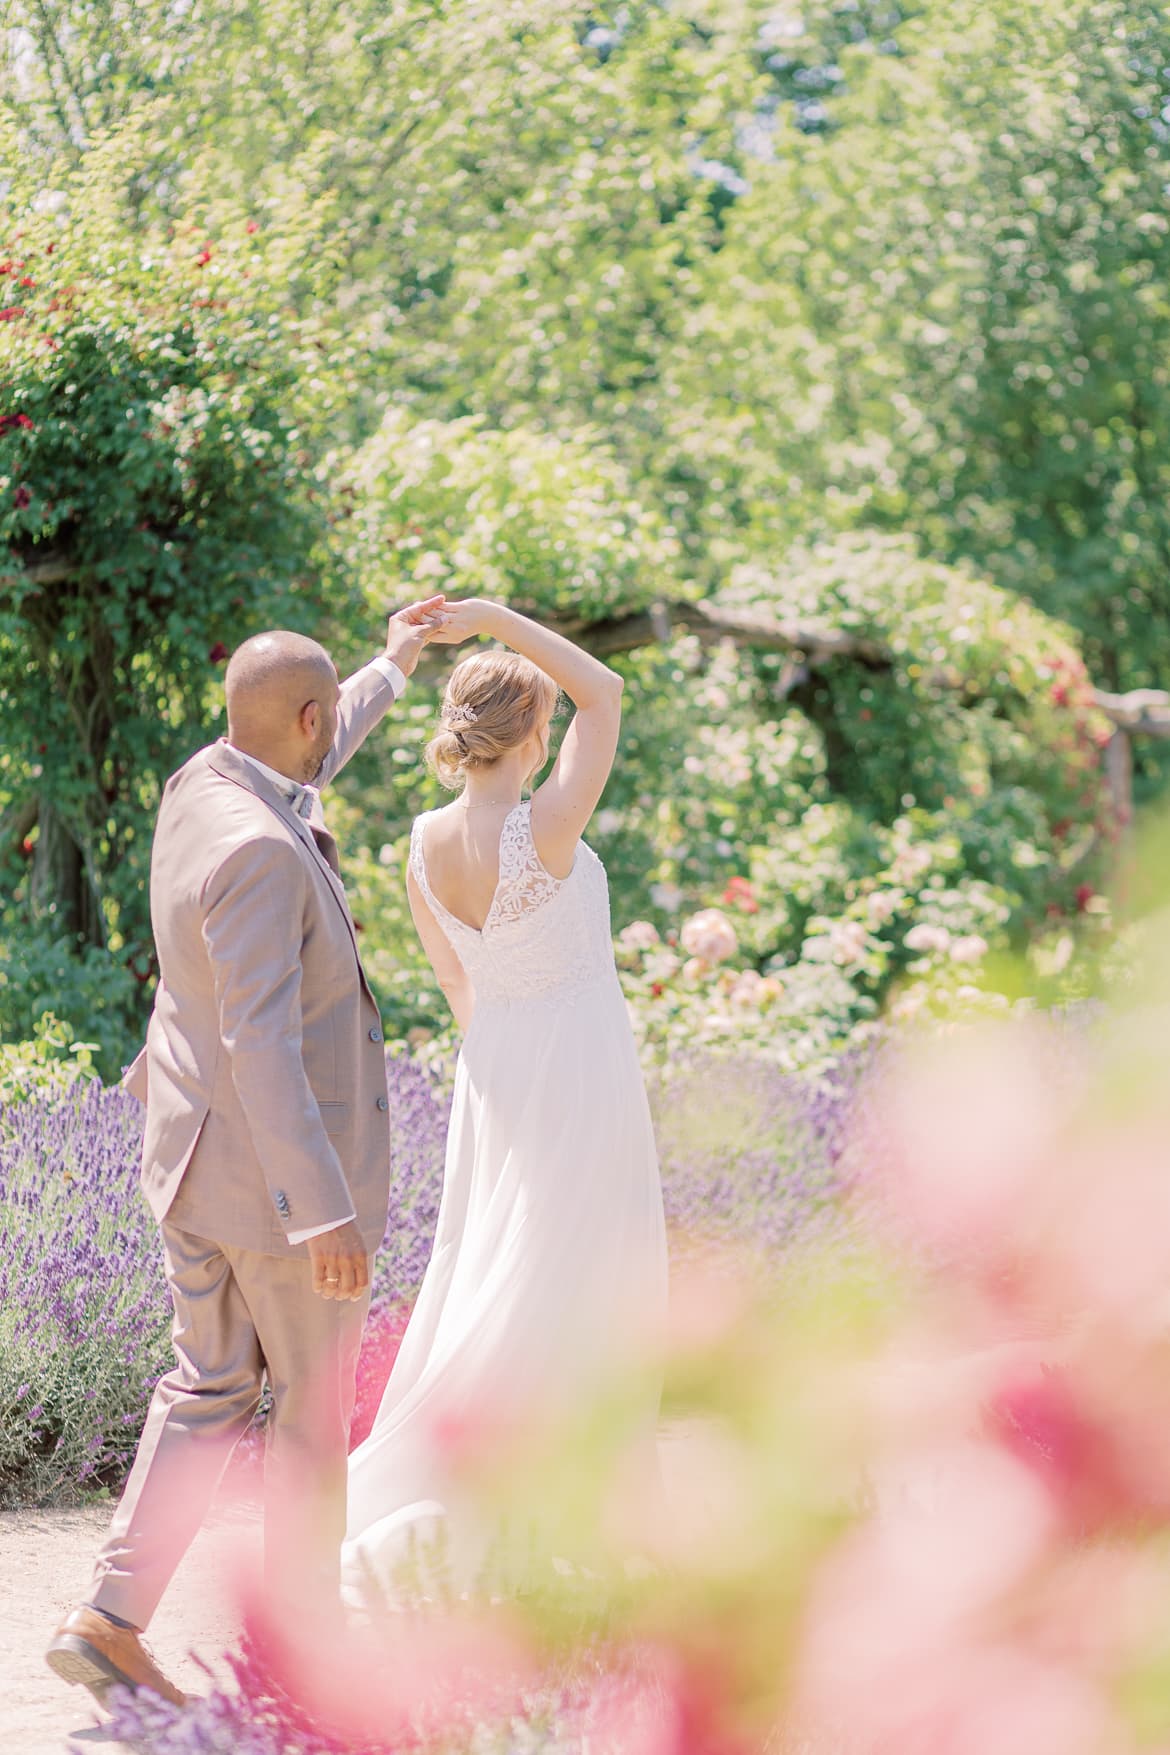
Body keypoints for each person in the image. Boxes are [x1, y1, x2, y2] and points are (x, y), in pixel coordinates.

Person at [46, 598, 444, 1710]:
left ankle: (108, 1619)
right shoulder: (268, 854)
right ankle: (301, 1666)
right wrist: (323, 1210)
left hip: (187, 1160)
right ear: (304, 718)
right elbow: (260, 1044)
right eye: (326, 719)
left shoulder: (202, 782)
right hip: (276, 1193)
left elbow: (306, 750)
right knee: (313, 1416)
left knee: (207, 1387)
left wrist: (392, 667)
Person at [342, 600, 668, 1603]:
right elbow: (605, 690)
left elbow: (454, 982)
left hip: (497, 1060)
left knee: (499, 1261)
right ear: (534, 736)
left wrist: (503, 1050)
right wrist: (490, 617)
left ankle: (494, 1477)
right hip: (577, 1058)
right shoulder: (550, 825)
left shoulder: (421, 842)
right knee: (586, 1272)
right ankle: (569, 1506)